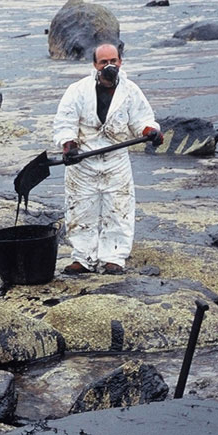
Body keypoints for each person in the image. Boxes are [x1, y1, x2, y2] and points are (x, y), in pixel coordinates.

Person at [52, 43, 162, 275]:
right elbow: (65, 121)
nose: (109, 66)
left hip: (116, 160)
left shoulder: (131, 91)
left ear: (120, 62)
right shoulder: (77, 90)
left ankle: (114, 258)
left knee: (119, 209)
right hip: (83, 161)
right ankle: (83, 258)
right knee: (80, 210)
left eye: (113, 61)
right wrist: (68, 144)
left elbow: (143, 119)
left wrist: (150, 131)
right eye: (104, 62)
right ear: (95, 65)